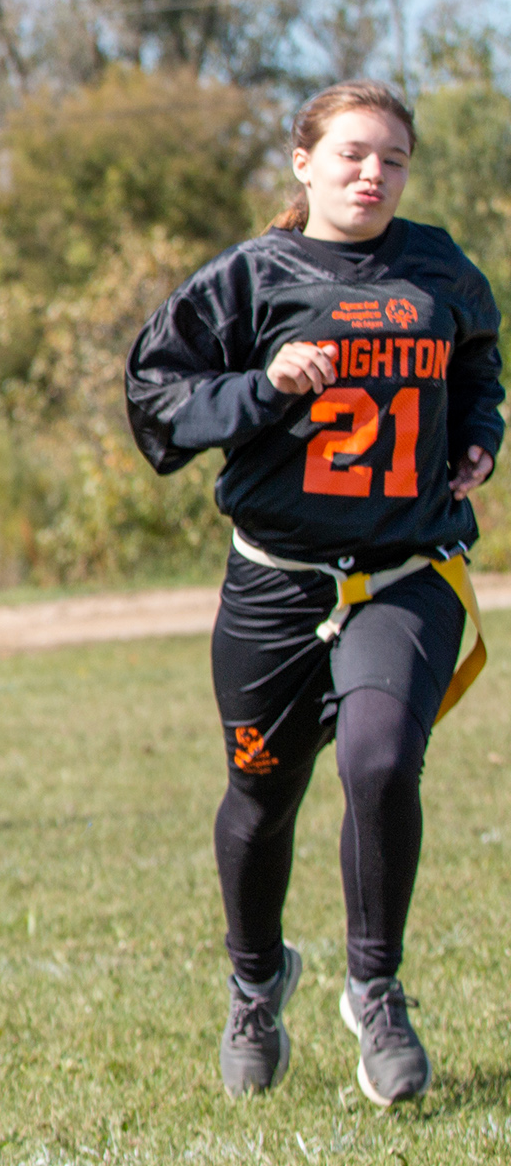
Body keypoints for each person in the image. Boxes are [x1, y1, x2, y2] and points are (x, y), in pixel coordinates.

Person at [126, 78, 500, 1106]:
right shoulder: (252, 277)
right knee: (260, 796)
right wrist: (265, 387)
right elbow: (155, 394)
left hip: (405, 573)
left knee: (381, 763)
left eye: (392, 157)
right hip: (278, 585)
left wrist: (479, 434)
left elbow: (477, 361)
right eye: (352, 154)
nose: (373, 172)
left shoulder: (439, 266)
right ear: (304, 163)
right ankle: (256, 981)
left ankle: (376, 988)